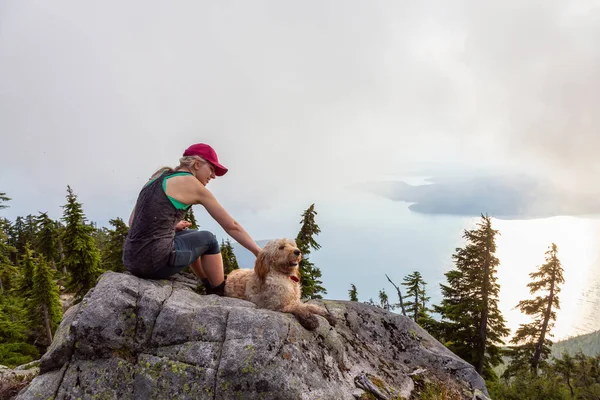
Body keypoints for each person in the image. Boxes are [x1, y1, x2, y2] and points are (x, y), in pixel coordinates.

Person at [123, 143, 261, 295]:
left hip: (131, 260)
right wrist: (258, 252)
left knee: (192, 234)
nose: (213, 176)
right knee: (208, 239)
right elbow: (231, 226)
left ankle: (207, 283)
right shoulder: (191, 183)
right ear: (197, 164)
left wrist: (171, 226)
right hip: (154, 264)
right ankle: (219, 290)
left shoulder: (156, 179)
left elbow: (132, 222)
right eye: (212, 169)